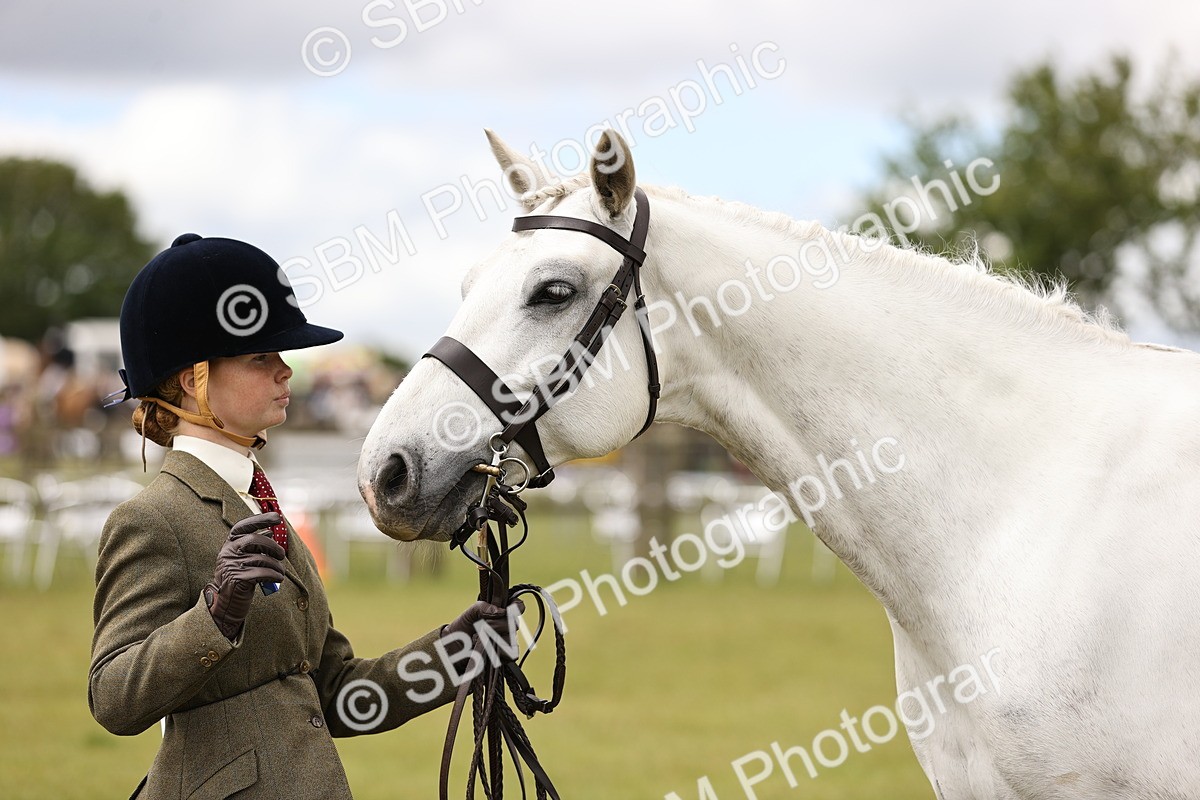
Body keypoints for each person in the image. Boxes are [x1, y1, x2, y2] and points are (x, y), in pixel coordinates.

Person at [89, 233, 515, 799]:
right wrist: (214, 616)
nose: (285, 371)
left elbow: (335, 693)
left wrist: (454, 652)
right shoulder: (151, 519)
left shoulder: (259, 504)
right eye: (261, 357)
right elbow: (114, 698)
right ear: (194, 379)